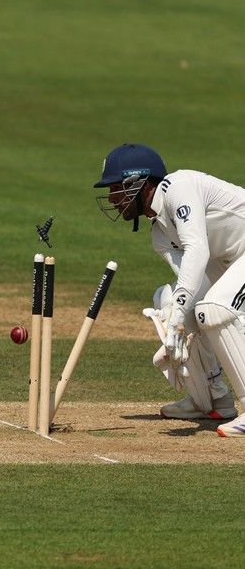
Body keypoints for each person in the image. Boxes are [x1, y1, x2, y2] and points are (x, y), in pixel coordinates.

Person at [94, 142, 245, 437]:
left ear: (140, 182)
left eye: (115, 188)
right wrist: (174, 326)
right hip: (231, 261)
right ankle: (211, 398)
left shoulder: (179, 187)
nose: (112, 198)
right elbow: (192, 284)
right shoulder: (159, 236)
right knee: (169, 302)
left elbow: (198, 250)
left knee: (212, 309)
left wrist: (178, 316)